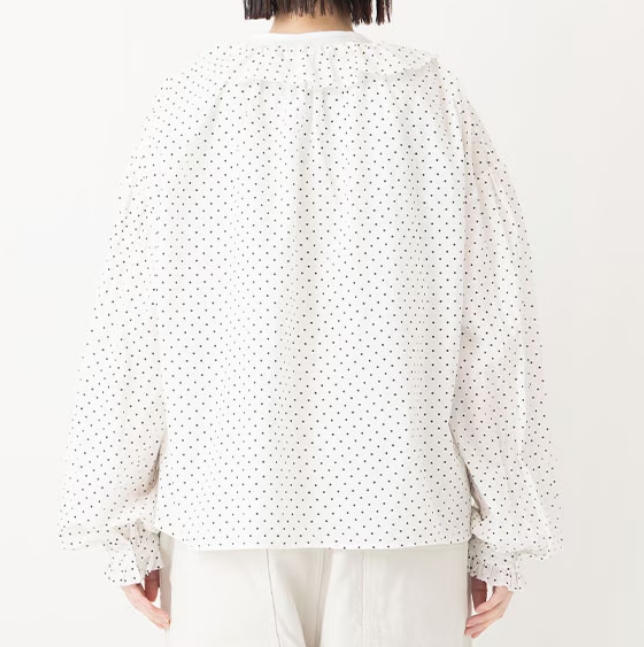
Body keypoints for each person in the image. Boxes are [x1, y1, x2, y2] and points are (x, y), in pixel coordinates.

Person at [57, 1, 564, 644]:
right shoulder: (429, 95)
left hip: (229, 499)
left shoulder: (194, 99)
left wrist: (119, 523)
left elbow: (132, 324)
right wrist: (507, 525)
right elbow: (493, 328)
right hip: (401, 501)